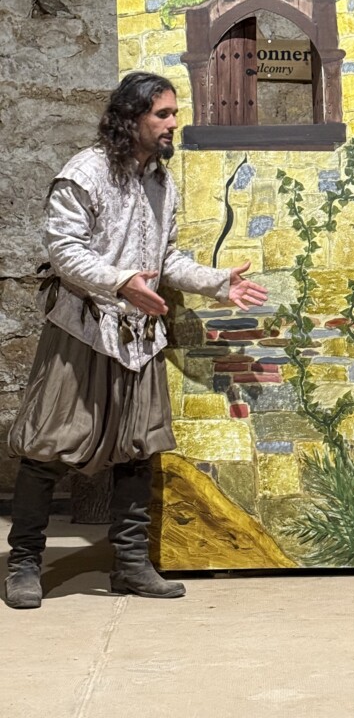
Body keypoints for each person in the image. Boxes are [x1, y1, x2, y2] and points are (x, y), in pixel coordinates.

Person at [5, 72, 269, 609]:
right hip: (83, 329)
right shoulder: (84, 172)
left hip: (138, 336)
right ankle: (24, 563)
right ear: (131, 118)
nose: (173, 123)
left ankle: (129, 564)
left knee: (137, 447)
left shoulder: (160, 181)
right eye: (163, 114)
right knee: (47, 446)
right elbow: (64, 250)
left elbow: (165, 257)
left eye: (174, 113)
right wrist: (122, 281)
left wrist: (217, 282)